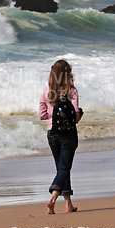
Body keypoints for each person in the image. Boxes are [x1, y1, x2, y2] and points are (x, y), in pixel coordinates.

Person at [39, 59, 83, 215]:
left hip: (52, 134)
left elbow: (42, 115)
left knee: (62, 169)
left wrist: (53, 114)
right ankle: (52, 199)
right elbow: (75, 118)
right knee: (64, 169)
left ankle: (68, 204)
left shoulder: (46, 91)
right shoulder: (71, 91)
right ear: (68, 74)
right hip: (68, 134)